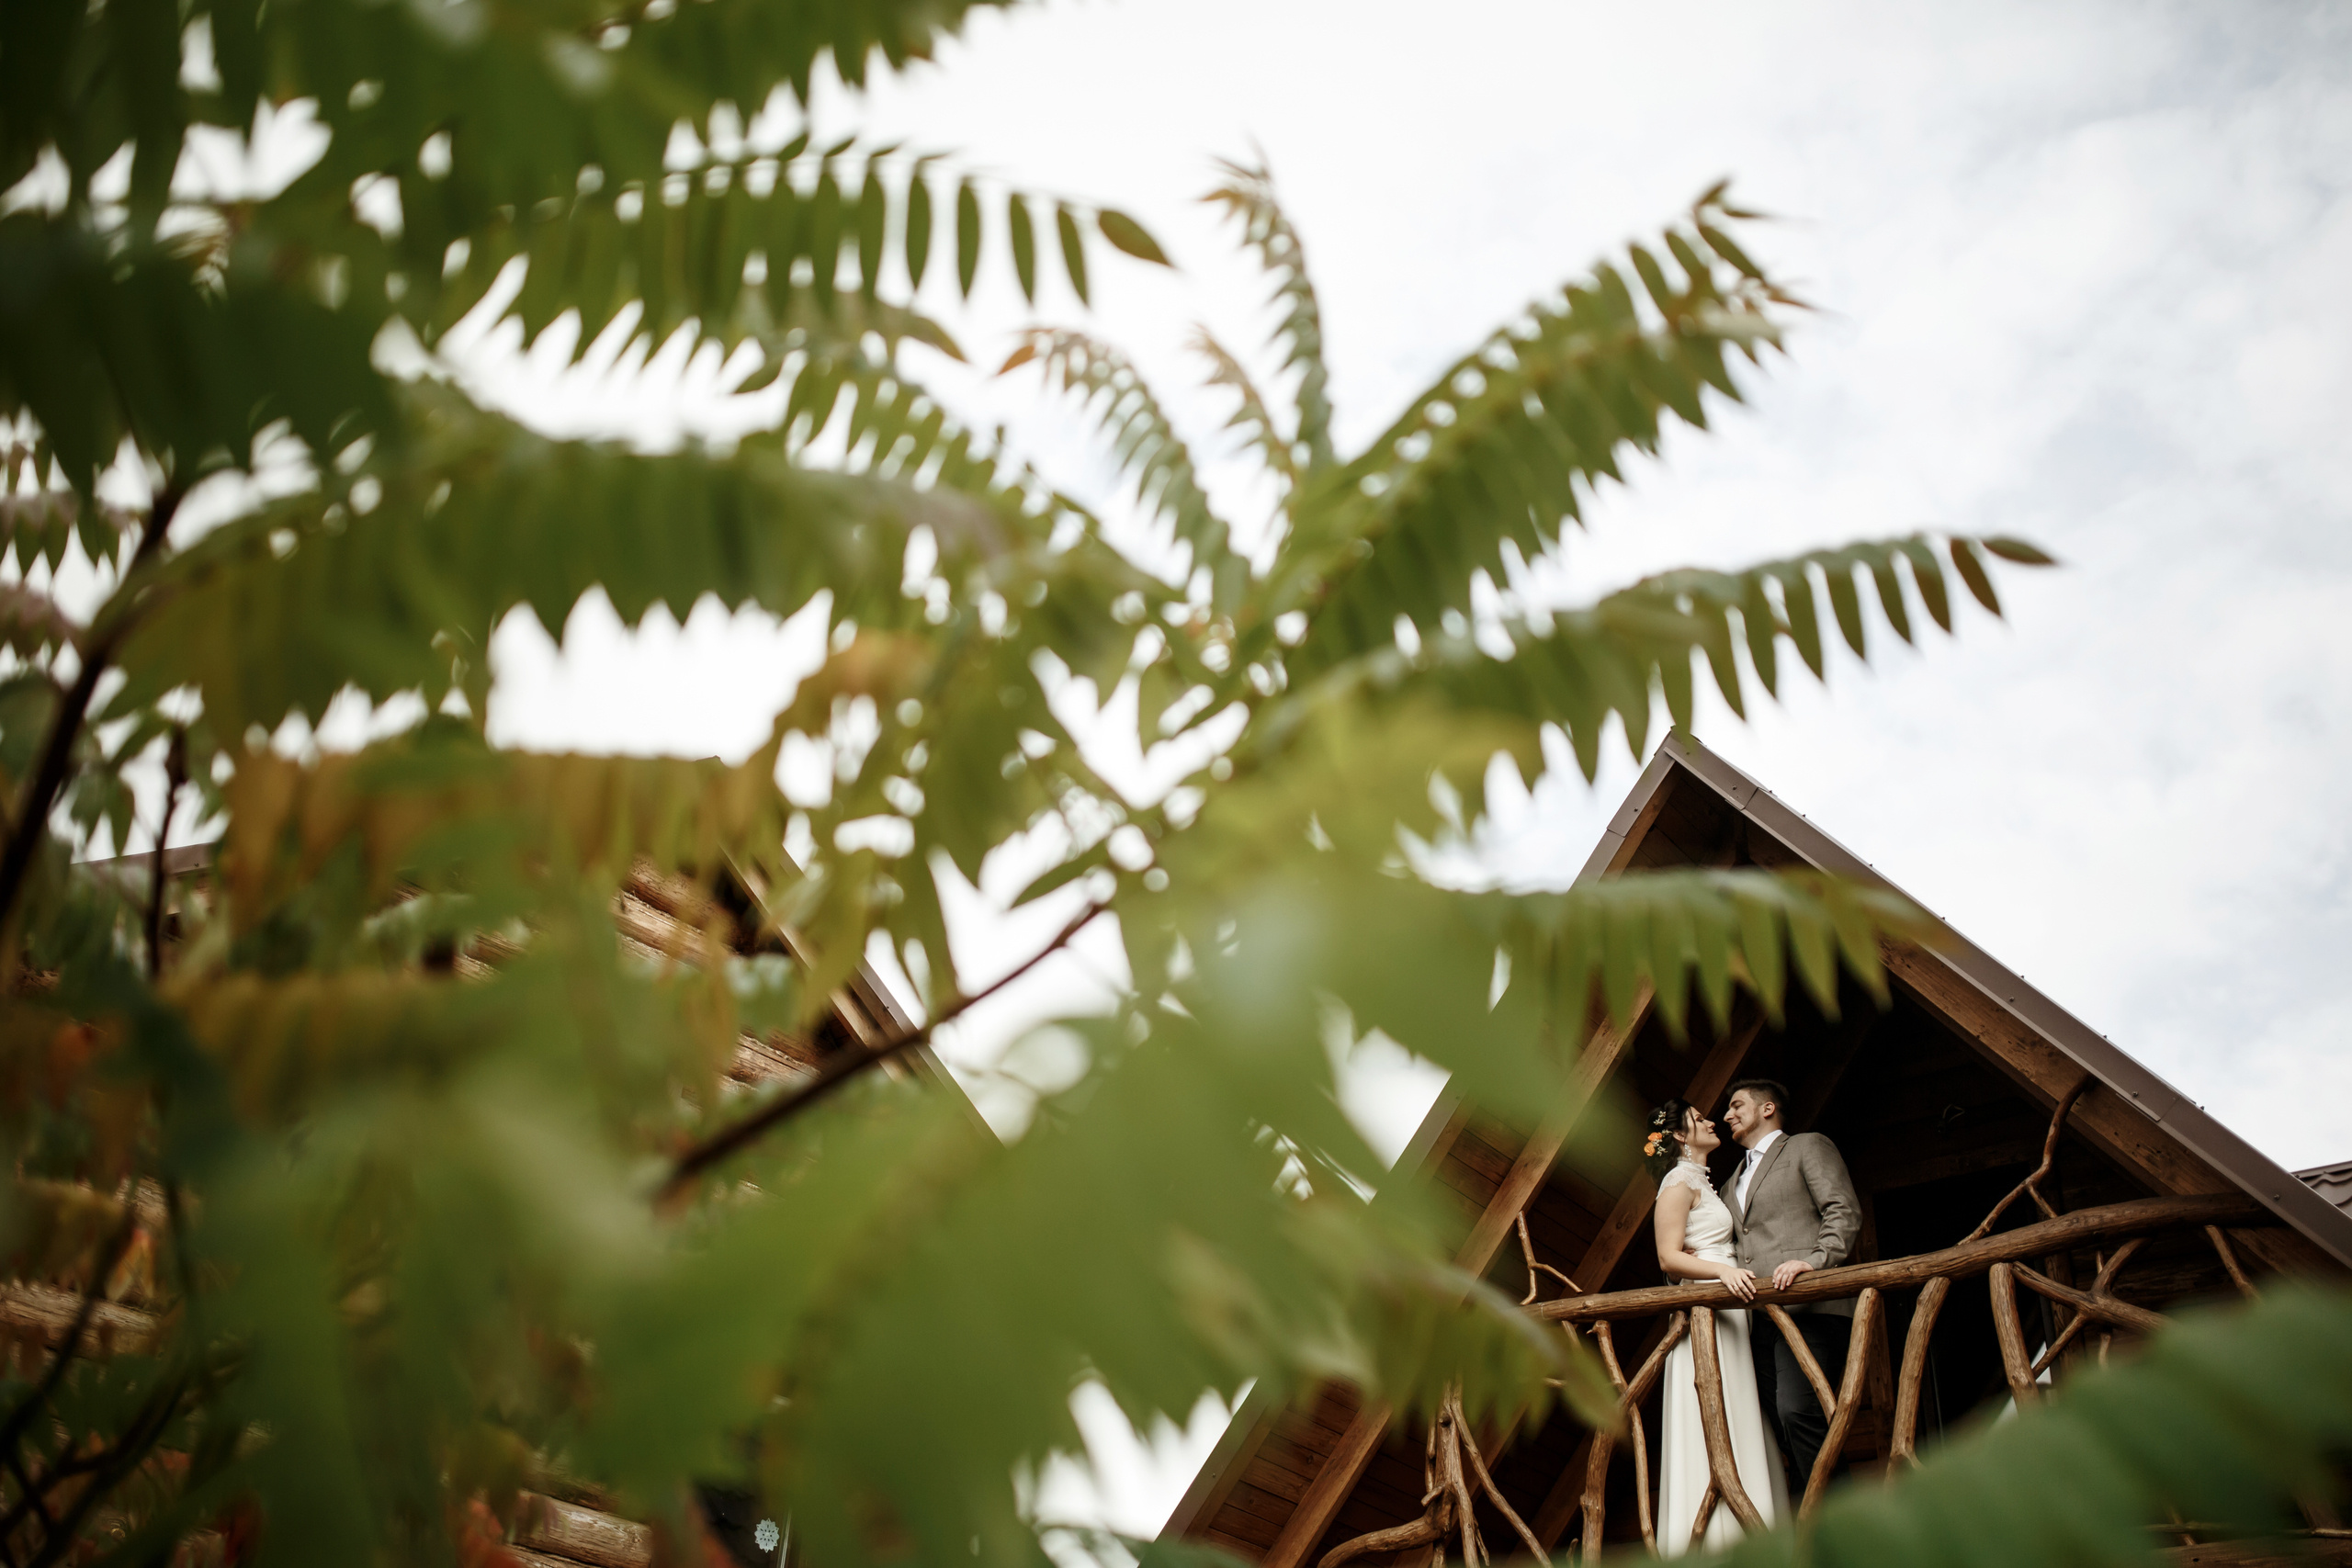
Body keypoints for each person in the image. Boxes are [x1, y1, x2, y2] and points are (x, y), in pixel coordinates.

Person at [1645, 1099, 1788, 1554]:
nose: (1711, 1121)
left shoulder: (1704, 1182)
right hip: (1708, 1308)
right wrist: (1721, 1272)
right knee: (1713, 1403)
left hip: (1731, 1311)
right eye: (1698, 1119)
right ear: (1682, 1137)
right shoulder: (1678, 1180)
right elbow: (1669, 1257)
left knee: (1739, 1403)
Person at [1721, 1077, 1860, 1492]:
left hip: (1811, 1308)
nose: (1727, 1114)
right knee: (1778, 1428)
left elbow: (1843, 1211)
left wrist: (1813, 1262)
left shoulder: (1806, 1146)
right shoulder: (1731, 1182)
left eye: (1736, 1105)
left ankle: (1840, 1515)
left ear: (1767, 1109)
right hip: (1758, 1321)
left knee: (1797, 1411)